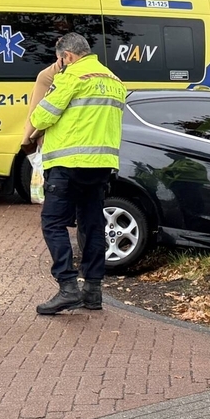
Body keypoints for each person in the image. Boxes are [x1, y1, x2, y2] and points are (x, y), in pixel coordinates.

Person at [29, 33, 126, 315]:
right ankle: (93, 291)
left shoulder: (72, 77)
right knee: (92, 225)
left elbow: (41, 117)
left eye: (61, 61)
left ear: (67, 56)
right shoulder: (115, 81)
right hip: (101, 165)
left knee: (52, 223)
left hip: (67, 164)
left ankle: (67, 286)